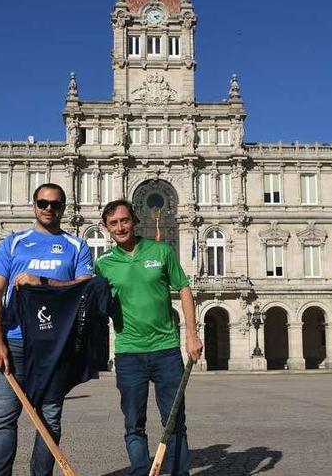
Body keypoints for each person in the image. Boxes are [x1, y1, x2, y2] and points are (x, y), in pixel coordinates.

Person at [0, 183, 93, 476]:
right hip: (15, 341)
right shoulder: (14, 242)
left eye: (55, 204)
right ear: (34, 205)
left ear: (63, 209)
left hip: (55, 346)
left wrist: (42, 282)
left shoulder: (77, 246)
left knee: (49, 419)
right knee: (3, 419)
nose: (49, 209)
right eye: (43, 203)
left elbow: (86, 287)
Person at [95, 200, 203, 476]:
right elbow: (92, 304)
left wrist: (191, 335)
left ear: (134, 220)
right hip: (128, 353)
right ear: (107, 229)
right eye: (114, 223)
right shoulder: (103, 265)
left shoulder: (161, 251)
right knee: (133, 424)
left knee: (175, 421)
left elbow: (185, 290)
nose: (120, 227)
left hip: (166, 350)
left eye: (124, 220)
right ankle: (141, 472)